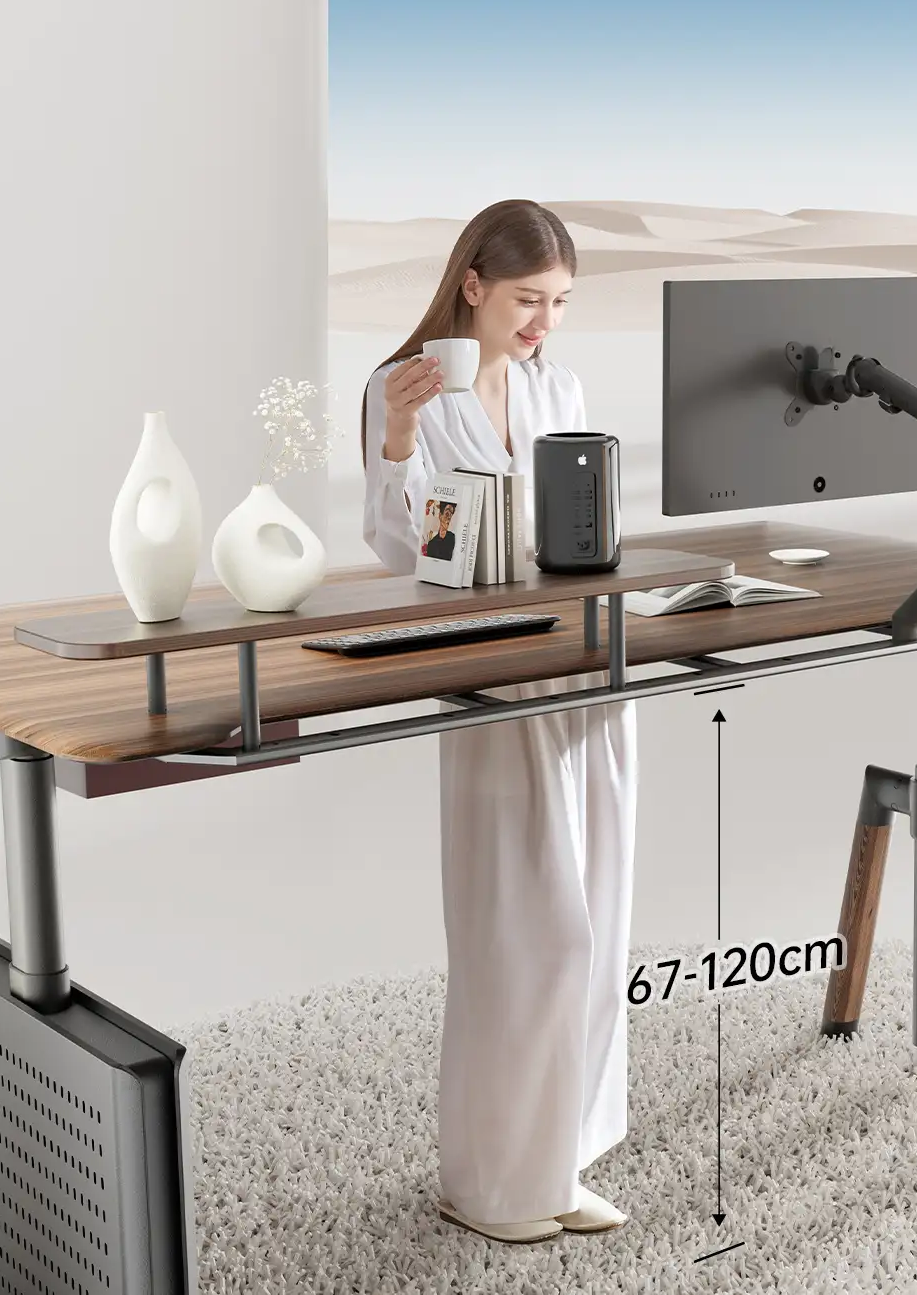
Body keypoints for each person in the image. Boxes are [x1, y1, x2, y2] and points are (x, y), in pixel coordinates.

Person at [361, 200, 637, 1245]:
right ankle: (484, 1181)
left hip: (579, 662)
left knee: (597, 925)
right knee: (523, 938)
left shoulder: (553, 385)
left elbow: (583, 524)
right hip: (489, 678)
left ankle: (556, 1160)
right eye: (530, 300)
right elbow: (403, 551)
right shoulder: (408, 388)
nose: (544, 324)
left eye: (560, 303)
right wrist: (393, 443)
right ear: (472, 281)